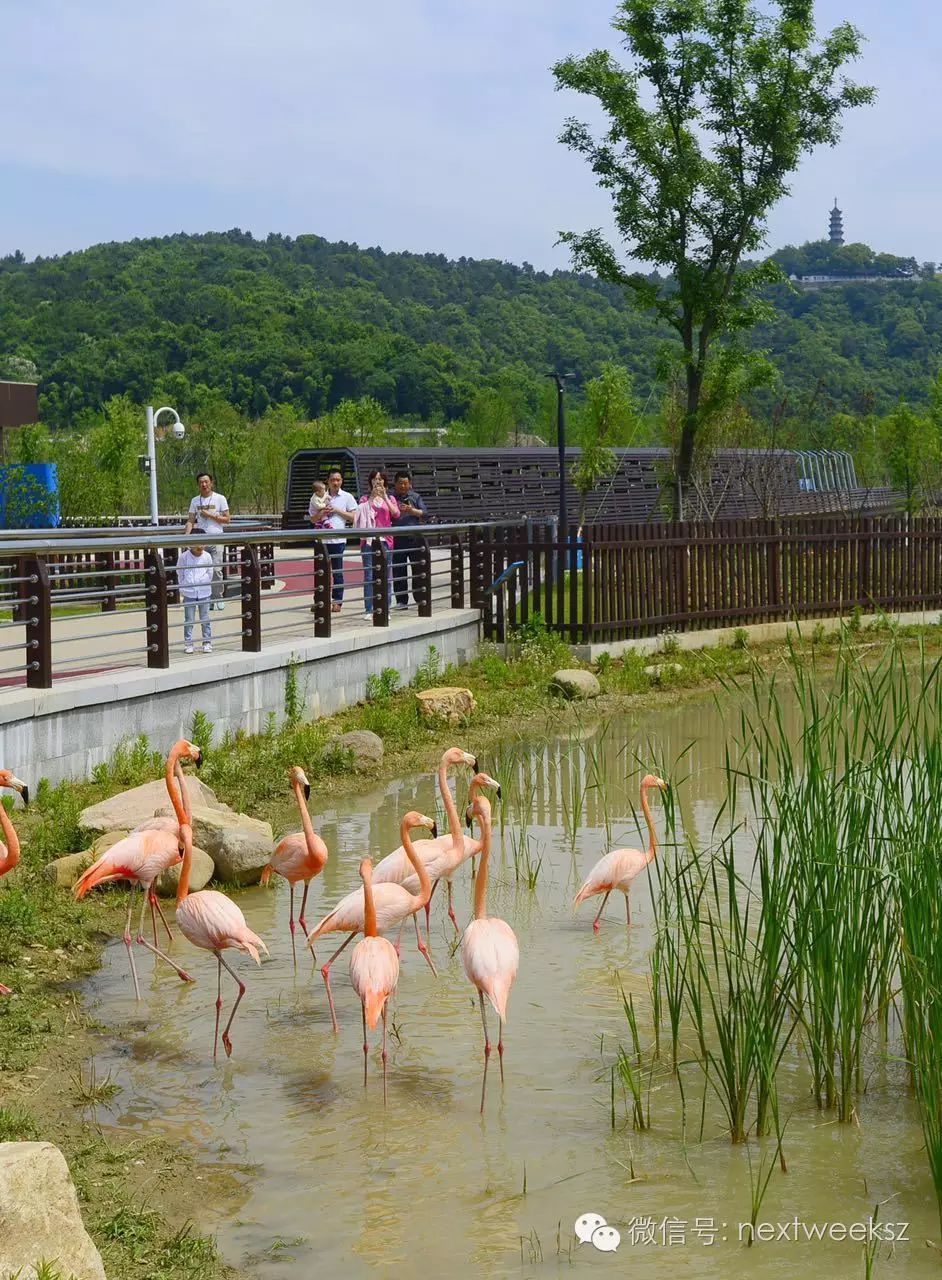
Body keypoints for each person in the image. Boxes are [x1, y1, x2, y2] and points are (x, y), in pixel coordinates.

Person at [311, 467, 357, 613]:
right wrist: (321, 513)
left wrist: (337, 510)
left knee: (337, 573)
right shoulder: (317, 497)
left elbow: (354, 517)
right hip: (321, 541)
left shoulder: (347, 497)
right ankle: (320, 601)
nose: (335, 482)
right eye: (332, 480)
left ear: (341, 481)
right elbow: (312, 519)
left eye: (338, 480)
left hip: (338, 541)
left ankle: (337, 602)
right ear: (327, 482)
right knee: (320, 572)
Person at [355, 470, 399, 619]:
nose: (378, 482)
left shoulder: (391, 498)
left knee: (386, 575)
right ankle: (369, 609)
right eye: (375, 479)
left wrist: (384, 496)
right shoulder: (364, 498)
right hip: (368, 541)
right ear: (370, 482)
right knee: (369, 575)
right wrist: (372, 498)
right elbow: (359, 513)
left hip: (386, 540)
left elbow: (396, 514)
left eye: (380, 479)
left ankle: (386, 607)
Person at [184, 472, 230, 611]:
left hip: (216, 538)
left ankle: (218, 596)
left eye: (206, 482)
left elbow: (227, 519)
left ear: (211, 483)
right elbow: (191, 520)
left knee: (216, 570)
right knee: (203, 571)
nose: (204, 484)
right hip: (201, 540)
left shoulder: (220, 498)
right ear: (198, 485)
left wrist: (210, 515)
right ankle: (207, 597)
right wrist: (186, 538)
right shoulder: (194, 501)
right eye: (201, 483)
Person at [390, 470, 429, 610]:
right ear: (395, 484)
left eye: (405, 483)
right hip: (397, 539)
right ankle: (401, 601)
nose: (403, 486)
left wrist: (412, 511)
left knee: (418, 570)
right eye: (400, 483)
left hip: (414, 538)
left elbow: (425, 513)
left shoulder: (415, 497)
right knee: (399, 571)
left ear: (410, 484)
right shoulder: (390, 498)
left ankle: (419, 598)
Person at [177, 538, 214, 655]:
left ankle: (207, 642)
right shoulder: (184, 557)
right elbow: (180, 572)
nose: (200, 546)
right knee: (189, 619)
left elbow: (210, 572)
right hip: (189, 592)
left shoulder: (207, 556)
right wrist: (184, 585)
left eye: (203, 543)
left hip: (204, 592)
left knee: (205, 618)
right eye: (198, 543)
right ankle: (188, 643)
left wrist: (204, 582)